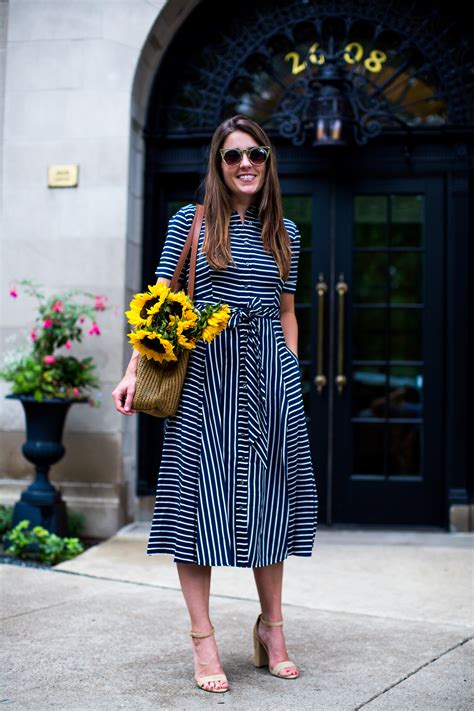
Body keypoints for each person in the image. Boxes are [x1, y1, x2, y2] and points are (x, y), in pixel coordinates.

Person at [112, 115, 318, 694]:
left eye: (256, 154)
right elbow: (159, 306)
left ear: (269, 161)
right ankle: (203, 638)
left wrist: (291, 379)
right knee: (192, 513)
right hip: (206, 382)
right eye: (234, 156)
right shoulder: (191, 223)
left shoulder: (286, 234)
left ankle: (272, 631)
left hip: (272, 381)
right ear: (219, 165)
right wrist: (133, 370)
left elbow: (286, 313)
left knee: (269, 508)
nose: (246, 164)